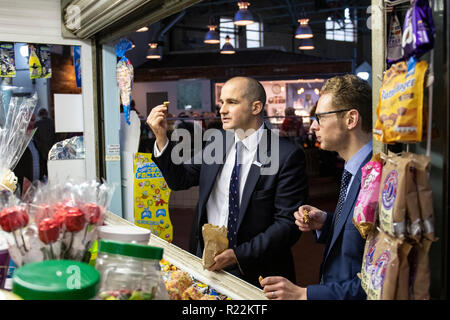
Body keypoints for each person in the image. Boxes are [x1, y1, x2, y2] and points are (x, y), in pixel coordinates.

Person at [146, 76, 308, 286]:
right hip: (207, 263)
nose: (222, 109)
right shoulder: (217, 143)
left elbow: (287, 225)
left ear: (256, 107)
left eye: (231, 102)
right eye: (222, 102)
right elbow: (180, 179)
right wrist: (161, 138)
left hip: (257, 272)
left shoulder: (286, 155)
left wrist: (237, 255)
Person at [260, 74, 373, 300]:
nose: (313, 126)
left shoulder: (375, 178)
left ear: (351, 119)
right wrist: (326, 221)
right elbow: (357, 238)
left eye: (320, 117)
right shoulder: (354, 168)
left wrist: (304, 294)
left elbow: (376, 283)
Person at [14, 114, 47, 194]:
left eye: (33, 120)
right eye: (28, 120)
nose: (31, 123)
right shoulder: (15, 142)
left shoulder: (34, 140)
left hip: (35, 190)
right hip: (22, 191)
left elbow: (40, 161)